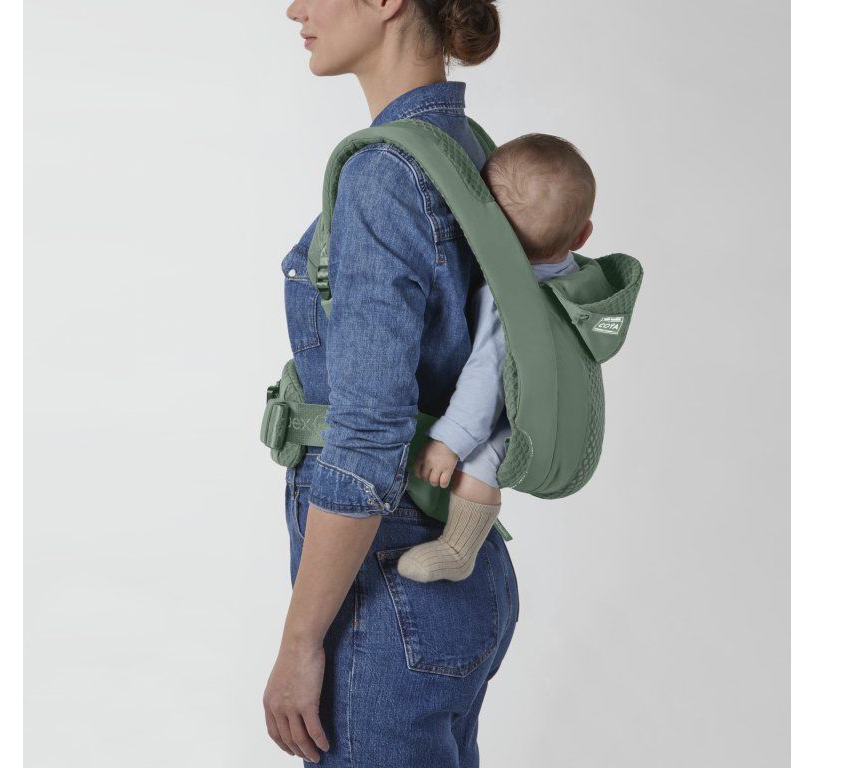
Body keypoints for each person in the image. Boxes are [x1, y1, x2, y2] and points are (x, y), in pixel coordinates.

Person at [264, 1, 517, 766]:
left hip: (388, 591)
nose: (294, 9)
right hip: (462, 571)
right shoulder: (467, 150)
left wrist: (301, 641)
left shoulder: (384, 175)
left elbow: (369, 435)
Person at [399, 134, 597, 582]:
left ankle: (458, 549)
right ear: (583, 235)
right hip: (556, 410)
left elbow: (486, 375)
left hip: (514, 416)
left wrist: (448, 442)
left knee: (481, 459)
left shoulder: (508, 298)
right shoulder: (574, 278)